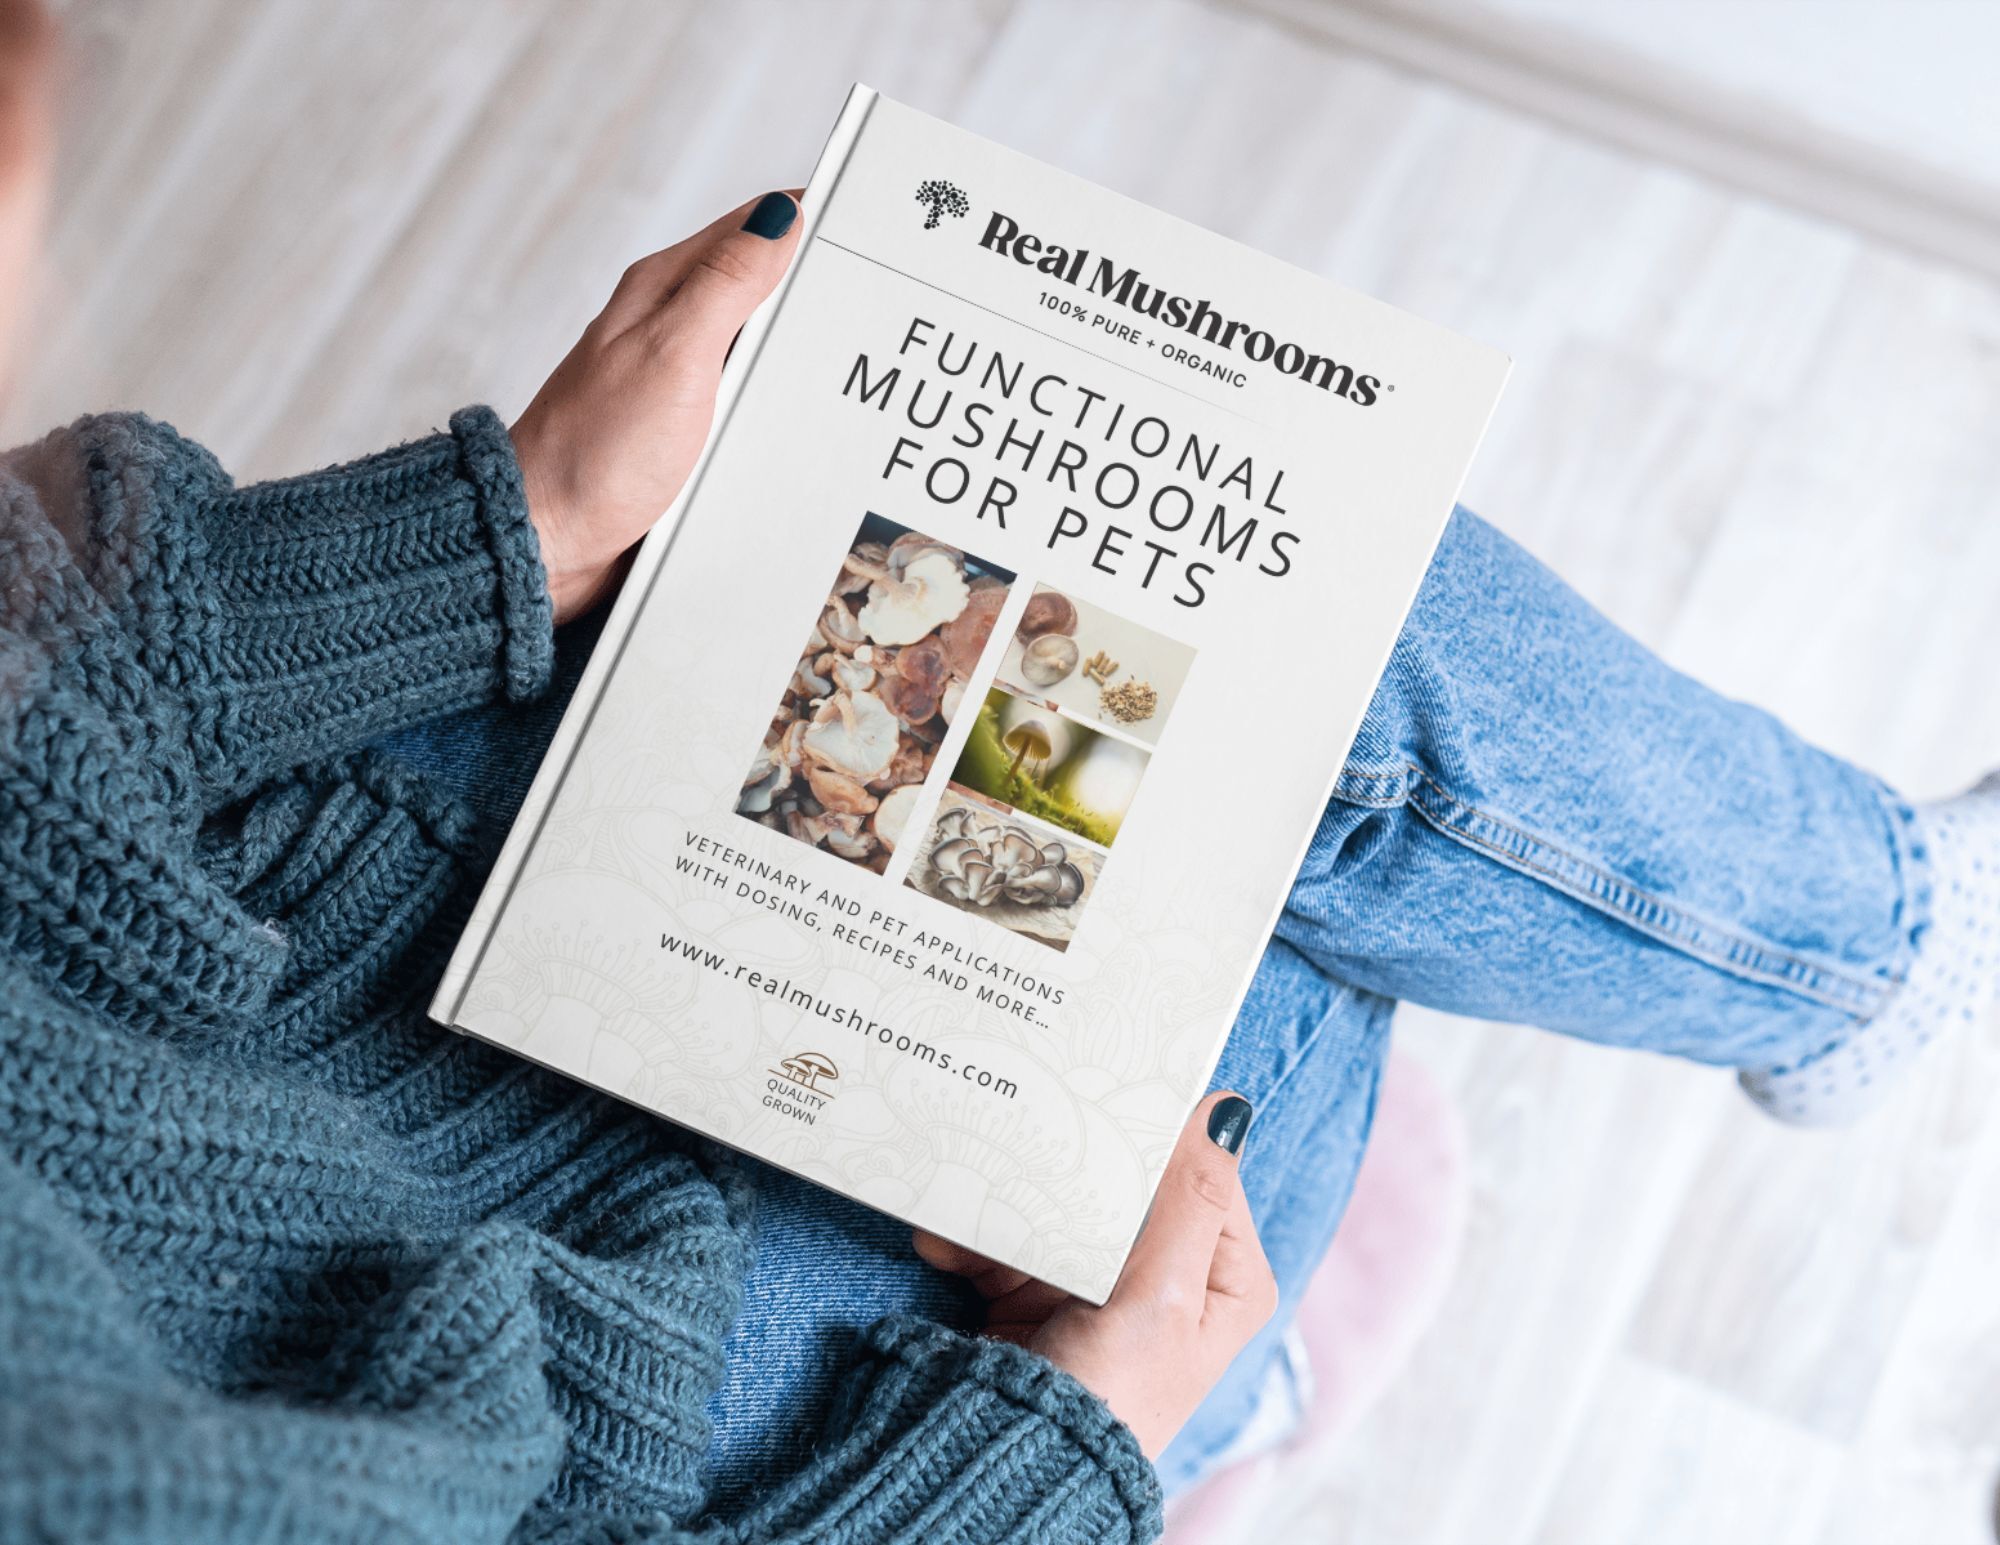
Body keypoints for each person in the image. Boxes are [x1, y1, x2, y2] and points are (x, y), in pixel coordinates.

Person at [0, 5, 1992, 1538]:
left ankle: (1861, 950)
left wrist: (495, 529)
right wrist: (1067, 1434)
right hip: (596, 1417)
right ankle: (1252, 1382)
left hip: (288, 914)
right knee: (1245, 958)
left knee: (1172, 612)